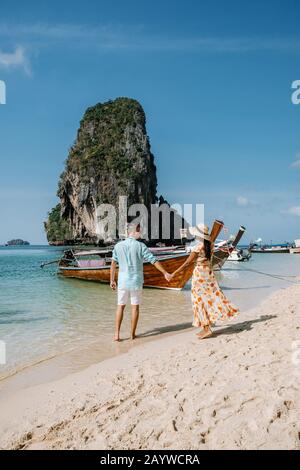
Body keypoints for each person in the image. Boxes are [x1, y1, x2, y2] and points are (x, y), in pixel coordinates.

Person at [169, 224, 239, 339]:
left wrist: (174, 273)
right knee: (211, 298)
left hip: (199, 276)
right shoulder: (210, 245)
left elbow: (187, 263)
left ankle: (206, 329)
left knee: (198, 301)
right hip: (209, 274)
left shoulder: (198, 247)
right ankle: (207, 325)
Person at [110, 222, 171, 341]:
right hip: (136, 282)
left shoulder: (118, 246)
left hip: (122, 281)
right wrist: (165, 273)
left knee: (120, 307)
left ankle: (116, 335)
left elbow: (113, 263)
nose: (140, 233)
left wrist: (112, 280)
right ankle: (132, 335)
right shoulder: (140, 246)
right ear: (133, 231)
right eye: (139, 230)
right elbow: (153, 260)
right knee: (135, 307)